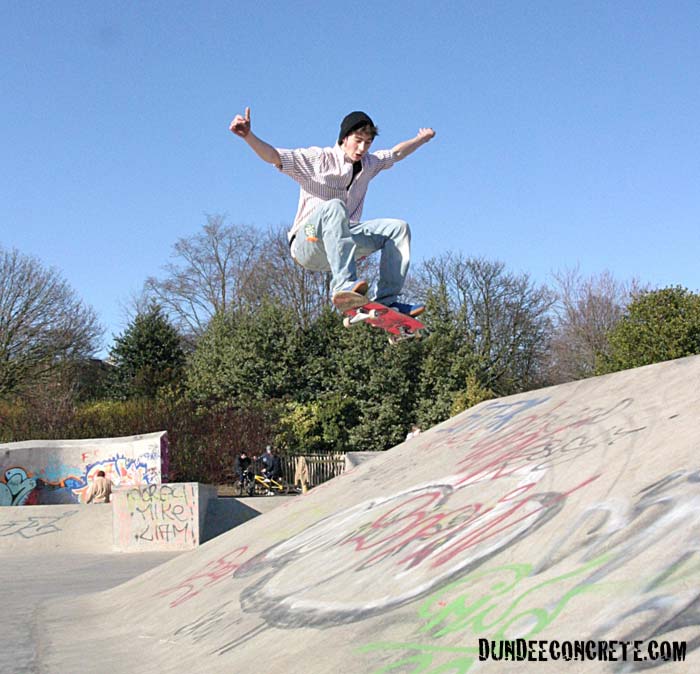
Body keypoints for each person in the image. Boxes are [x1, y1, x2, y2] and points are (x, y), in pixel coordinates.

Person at [229, 107, 435, 315]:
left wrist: (421, 139)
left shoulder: (369, 164)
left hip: (339, 247)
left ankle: (388, 301)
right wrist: (248, 136)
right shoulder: (318, 159)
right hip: (307, 241)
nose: (362, 148)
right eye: (358, 140)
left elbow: (397, 153)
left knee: (398, 228)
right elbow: (274, 155)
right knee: (335, 207)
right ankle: (343, 287)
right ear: (344, 138)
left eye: (368, 143)